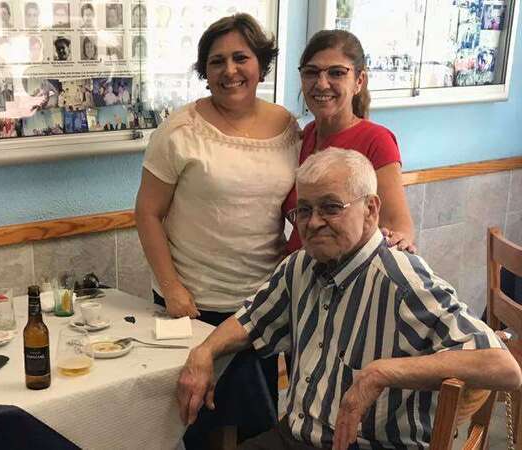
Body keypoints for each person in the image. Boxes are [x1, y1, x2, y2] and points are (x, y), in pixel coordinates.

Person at [177, 148, 522, 450]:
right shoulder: (300, 265)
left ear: (371, 209)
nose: (313, 223)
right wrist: (204, 351)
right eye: (304, 210)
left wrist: (383, 372)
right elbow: (251, 318)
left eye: (331, 207)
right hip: (296, 437)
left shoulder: (401, 280)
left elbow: (505, 368)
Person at [135, 13, 300, 449]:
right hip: (193, 305)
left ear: (261, 65)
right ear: (204, 73)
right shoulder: (180, 129)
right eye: (216, 61)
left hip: (260, 310)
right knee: (199, 429)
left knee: (252, 430)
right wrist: (171, 288)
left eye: (241, 58)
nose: (229, 71)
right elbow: (147, 213)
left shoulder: (289, 128)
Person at [284, 30, 416, 254]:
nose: (322, 83)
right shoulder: (306, 136)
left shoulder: (376, 141)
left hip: (340, 283)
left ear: (359, 81)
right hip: (299, 277)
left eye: (336, 73)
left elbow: (398, 231)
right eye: (311, 72)